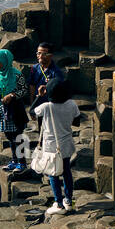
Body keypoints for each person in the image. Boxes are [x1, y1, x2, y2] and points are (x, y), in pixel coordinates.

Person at [34, 78, 81, 214]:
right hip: (66, 144)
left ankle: (58, 204)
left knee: (52, 173)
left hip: (51, 145)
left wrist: (40, 96)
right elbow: (77, 122)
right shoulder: (72, 104)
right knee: (66, 171)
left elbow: (32, 111)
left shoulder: (46, 107)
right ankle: (68, 200)